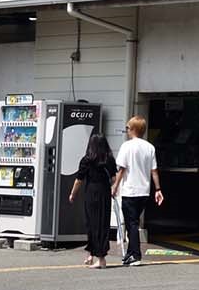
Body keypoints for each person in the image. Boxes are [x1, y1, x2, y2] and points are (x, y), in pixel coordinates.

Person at [112, 115, 163, 267]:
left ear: (133, 129)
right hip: (144, 191)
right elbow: (154, 170)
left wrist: (115, 186)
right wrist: (158, 189)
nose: (126, 130)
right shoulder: (150, 147)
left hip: (130, 190)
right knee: (133, 222)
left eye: (127, 127)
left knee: (131, 224)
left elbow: (121, 169)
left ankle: (136, 255)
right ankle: (130, 253)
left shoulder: (126, 146)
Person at [68, 133, 117, 269]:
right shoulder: (109, 159)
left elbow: (79, 179)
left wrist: (72, 194)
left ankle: (100, 259)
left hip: (91, 192)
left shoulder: (87, 160)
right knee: (102, 224)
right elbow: (113, 179)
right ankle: (93, 255)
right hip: (104, 192)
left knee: (91, 224)